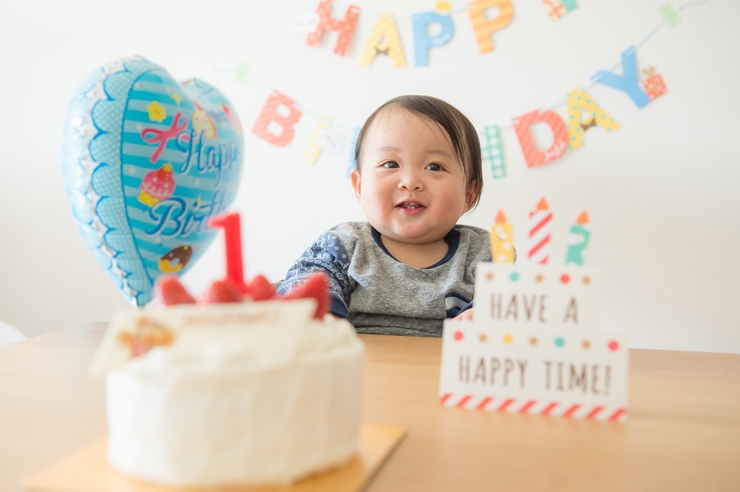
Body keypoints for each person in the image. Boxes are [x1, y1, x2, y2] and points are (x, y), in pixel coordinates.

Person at [277, 95, 491, 337]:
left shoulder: (482, 254)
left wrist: (490, 313)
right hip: (359, 369)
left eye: (434, 167)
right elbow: (305, 286)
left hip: (445, 371)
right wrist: (323, 317)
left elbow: (513, 303)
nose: (410, 181)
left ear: (469, 193)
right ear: (359, 185)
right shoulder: (344, 245)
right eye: (390, 164)